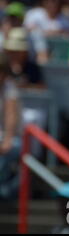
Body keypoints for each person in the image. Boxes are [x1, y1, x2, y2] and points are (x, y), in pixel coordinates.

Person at [0, 52, 22, 200]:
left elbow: (11, 116)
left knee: (11, 148)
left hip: (9, 138)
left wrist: (7, 139)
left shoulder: (10, 88)